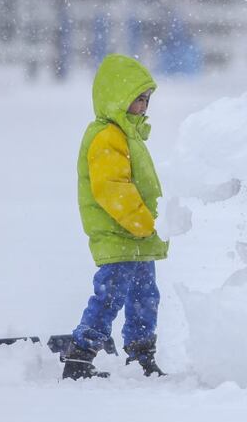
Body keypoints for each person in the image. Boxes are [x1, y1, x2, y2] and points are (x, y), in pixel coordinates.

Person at [63, 54, 169, 380]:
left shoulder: (128, 135)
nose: (144, 106)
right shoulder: (107, 135)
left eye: (147, 99)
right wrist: (141, 221)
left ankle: (141, 356)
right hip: (119, 233)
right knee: (110, 296)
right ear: (117, 97)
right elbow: (111, 187)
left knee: (145, 297)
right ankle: (80, 356)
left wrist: (147, 224)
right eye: (138, 99)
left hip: (138, 235)